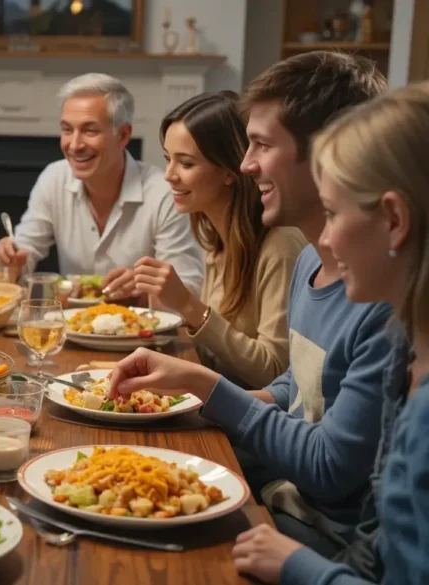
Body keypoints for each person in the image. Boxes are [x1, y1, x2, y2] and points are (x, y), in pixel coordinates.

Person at [105, 51, 399, 560]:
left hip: (325, 533)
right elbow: (296, 383)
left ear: (330, 152)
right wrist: (190, 393)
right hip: (289, 496)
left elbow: (331, 467)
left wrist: (206, 386)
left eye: (261, 144)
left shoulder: (378, 301)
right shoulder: (310, 261)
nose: (245, 164)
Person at [230, 82, 429, 585]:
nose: (327, 236)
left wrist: (303, 568)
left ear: (395, 220)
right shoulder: (410, 364)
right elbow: (378, 547)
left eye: (334, 212)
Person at [131, 92, 306, 388]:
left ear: (228, 170)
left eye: (185, 163)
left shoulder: (280, 246)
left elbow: (274, 372)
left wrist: (188, 305)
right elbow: (217, 360)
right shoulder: (217, 240)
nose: (168, 175)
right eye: (167, 159)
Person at [0, 72, 204, 297]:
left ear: (123, 135)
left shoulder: (164, 193)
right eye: (67, 130)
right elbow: (25, 252)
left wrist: (142, 288)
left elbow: (189, 287)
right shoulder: (53, 178)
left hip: (142, 327)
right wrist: (11, 262)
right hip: (70, 325)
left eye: (90, 130)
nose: (74, 145)